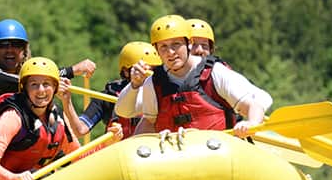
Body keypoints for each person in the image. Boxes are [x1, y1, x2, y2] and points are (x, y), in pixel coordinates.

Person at [0, 57, 122, 180]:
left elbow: (79, 157)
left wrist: (107, 143)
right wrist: (15, 178)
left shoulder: (58, 119)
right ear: (24, 88)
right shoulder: (12, 117)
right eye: (34, 84)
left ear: (55, 88)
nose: (41, 90)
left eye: (46, 84)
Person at [115, 15, 272, 138]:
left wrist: (251, 123)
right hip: (172, 158)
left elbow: (253, 106)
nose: (170, 53)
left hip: (217, 152)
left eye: (176, 44)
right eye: (163, 47)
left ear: (189, 43)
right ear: (156, 49)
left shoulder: (215, 72)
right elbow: (149, 122)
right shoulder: (153, 82)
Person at [58, 41, 161, 138]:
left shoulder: (162, 92)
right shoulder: (108, 96)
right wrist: (67, 101)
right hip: (118, 152)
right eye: (141, 71)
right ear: (126, 72)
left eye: (153, 71)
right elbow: (80, 130)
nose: (147, 76)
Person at [0, 18, 98, 95]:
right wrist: (71, 71)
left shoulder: (29, 75)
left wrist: (72, 71)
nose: (9, 50)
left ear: (24, 49)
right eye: (3, 45)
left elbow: (37, 76)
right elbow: (23, 81)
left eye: (16, 44)